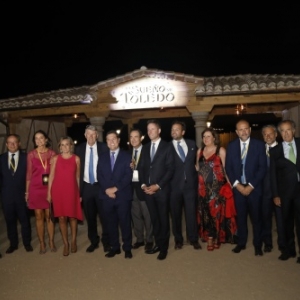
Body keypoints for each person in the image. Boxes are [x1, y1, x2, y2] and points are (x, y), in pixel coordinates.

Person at [225, 119, 267, 256]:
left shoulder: (259, 145)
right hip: (238, 189)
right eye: (240, 129)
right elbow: (229, 168)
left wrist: (250, 186)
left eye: (246, 129)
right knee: (241, 217)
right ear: (237, 132)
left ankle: (257, 245)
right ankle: (241, 243)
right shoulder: (231, 146)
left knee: (256, 218)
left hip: (254, 189)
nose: (243, 132)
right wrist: (237, 185)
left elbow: (262, 168)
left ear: (249, 130)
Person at [139, 119, 175, 260]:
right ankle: (158, 244)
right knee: (154, 220)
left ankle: (164, 248)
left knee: (163, 219)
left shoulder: (167, 147)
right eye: (148, 130)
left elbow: (170, 169)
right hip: (148, 191)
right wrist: (143, 185)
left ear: (159, 131)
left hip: (161, 190)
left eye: (153, 129)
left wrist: (158, 186)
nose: (150, 132)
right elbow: (141, 168)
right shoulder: (145, 147)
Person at [197, 128, 237, 251]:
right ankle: (209, 237)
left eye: (209, 136)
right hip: (203, 188)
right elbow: (197, 167)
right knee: (206, 214)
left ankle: (216, 237)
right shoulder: (199, 151)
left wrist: (230, 185)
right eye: (204, 136)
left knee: (216, 213)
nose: (206, 139)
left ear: (214, 138)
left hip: (217, 188)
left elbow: (225, 169)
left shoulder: (221, 150)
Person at [97, 130, 133, 259]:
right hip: (106, 196)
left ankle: (127, 248)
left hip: (122, 195)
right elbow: (99, 175)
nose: (111, 141)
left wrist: (115, 188)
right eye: (108, 139)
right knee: (110, 223)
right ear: (106, 142)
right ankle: (115, 247)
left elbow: (128, 175)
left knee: (125, 222)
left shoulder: (127, 156)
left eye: (113, 139)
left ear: (118, 140)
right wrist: (107, 190)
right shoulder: (102, 157)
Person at [75, 125, 110, 253]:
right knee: (90, 217)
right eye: (88, 134)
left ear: (97, 135)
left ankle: (106, 241)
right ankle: (93, 241)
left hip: (100, 187)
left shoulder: (104, 148)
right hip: (87, 187)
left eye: (93, 134)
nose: (91, 136)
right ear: (85, 135)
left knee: (104, 216)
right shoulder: (78, 149)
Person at [270, 119, 300, 263]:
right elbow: (273, 175)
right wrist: (276, 195)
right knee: (286, 224)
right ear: (279, 133)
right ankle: (289, 251)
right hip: (285, 194)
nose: (286, 133)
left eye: (288, 130)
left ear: (293, 131)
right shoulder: (275, 150)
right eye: (283, 130)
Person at [47, 137, 83, 256]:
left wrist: (79, 193)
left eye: (67, 144)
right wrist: (49, 193)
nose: (65, 147)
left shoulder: (76, 159)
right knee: (61, 218)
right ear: (60, 147)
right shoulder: (55, 159)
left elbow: (77, 178)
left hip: (72, 191)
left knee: (72, 217)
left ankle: (73, 241)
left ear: (71, 145)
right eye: (62, 145)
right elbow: (51, 176)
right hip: (58, 191)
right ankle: (66, 243)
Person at [169, 120, 201, 250]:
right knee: (176, 215)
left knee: (191, 214)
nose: (174, 131)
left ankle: (193, 239)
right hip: (174, 187)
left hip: (190, 186)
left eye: (177, 129)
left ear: (183, 132)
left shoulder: (192, 144)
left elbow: (199, 160)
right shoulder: (167, 147)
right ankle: (178, 240)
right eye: (172, 129)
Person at [0, 134, 32, 254]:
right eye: (10, 142)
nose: (12, 145)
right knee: (10, 221)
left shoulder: (26, 157)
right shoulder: (1, 159)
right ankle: (13, 244)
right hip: (7, 196)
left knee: (25, 220)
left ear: (19, 143)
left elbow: (31, 176)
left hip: (22, 195)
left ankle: (27, 243)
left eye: (15, 142)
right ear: (7, 144)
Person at [26, 130, 56, 254]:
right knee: (38, 217)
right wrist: (27, 192)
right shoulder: (31, 155)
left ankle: (51, 241)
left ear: (46, 139)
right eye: (36, 138)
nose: (39, 140)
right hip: (35, 188)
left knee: (49, 216)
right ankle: (42, 243)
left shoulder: (52, 154)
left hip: (49, 188)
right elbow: (28, 174)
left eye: (41, 138)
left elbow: (56, 173)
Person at [261, 125, 285, 253]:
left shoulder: (283, 149)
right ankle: (268, 243)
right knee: (265, 218)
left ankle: (282, 243)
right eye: (265, 134)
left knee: (281, 219)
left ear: (276, 135)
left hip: (280, 191)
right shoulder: (260, 150)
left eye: (270, 134)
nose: (268, 136)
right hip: (264, 191)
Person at [129, 128, 154, 251]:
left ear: (141, 138)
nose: (133, 139)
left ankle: (149, 239)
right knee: (136, 216)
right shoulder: (128, 153)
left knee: (147, 215)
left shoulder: (148, 151)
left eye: (136, 137)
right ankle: (139, 239)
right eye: (131, 137)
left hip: (144, 188)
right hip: (132, 189)